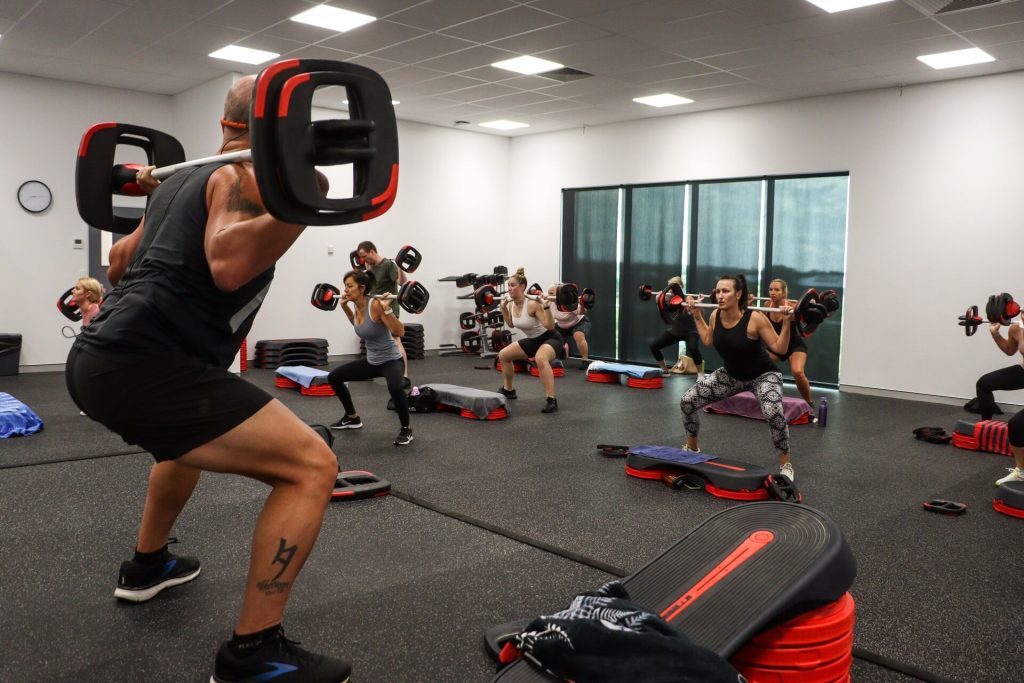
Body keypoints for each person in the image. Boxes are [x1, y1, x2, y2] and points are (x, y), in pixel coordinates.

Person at [65, 76, 352, 683]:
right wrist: (305, 197)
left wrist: (159, 201)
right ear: (263, 128)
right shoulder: (235, 176)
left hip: (99, 358)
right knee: (311, 466)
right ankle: (255, 652)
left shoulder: (181, 182)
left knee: (185, 444)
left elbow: (117, 265)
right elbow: (227, 265)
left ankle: (148, 567)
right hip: (144, 364)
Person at [679, 274, 797, 480]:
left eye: (726, 291)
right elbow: (707, 340)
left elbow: (780, 348)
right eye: (718, 291)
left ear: (738, 294)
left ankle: (786, 464)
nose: (720, 295)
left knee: (772, 411)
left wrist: (787, 323)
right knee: (688, 401)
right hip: (732, 375)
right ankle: (692, 449)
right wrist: (697, 315)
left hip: (763, 375)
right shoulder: (715, 314)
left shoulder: (755, 318)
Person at [326, 269, 412, 446]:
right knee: (334, 377)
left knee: (395, 387)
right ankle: (352, 417)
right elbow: (358, 326)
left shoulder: (375, 305)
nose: (346, 290)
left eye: (349, 286)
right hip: (372, 361)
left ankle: (406, 429)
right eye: (345, 286)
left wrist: (387, 309)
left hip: (390, 360)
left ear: (362, 288)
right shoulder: (357, 305)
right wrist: (344, 307)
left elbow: (400, 331)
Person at [497, 268, 563, 413]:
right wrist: (503, 308)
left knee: (540, 358)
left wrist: (546, 306)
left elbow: (550, 326)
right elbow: (510, 324)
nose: (509, 288)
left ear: (522, 287)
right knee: (503, 355)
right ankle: (509, 390)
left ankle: (551, 400)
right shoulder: (510, 303)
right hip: (533, 340)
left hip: (551, 338)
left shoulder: (532, 303)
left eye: (513, 285)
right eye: (508, 285)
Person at [356, 240, 410, 389]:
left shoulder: (388, 265)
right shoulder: (369, 267)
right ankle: (371, 371)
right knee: (371, 338)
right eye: (362, 258)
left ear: (372, 251)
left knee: (396, 340)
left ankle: (404, 376)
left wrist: (400, 267)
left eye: (365, 256)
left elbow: (402, 282)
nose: (364, 260)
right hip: (373, 309)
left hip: (388, 308)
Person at [980, 318, 1024, 485]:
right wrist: (995, 333)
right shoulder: (1015, 329)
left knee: (1018, 424)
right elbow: (1009, 350)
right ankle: (986, 429)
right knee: (984, 383)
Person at [765, 279, 813, 407]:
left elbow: (810, 316)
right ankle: (755, 398)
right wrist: (748, 302)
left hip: (794, 345)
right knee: (755, 366)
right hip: (776, 345)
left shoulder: (792, 306)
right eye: (771, 289)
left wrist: (811, 304)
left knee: (798, 372)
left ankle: (809, 403)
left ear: (784, 292)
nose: (772, 292)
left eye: (776, 290)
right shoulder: (766, 305)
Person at [649, 276, 702, 376]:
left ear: (680, 287)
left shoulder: (687, 298)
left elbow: (693, 310)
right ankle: (665, 370)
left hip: (691, 332)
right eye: (670, 286)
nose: (671, 288)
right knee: (654, 346)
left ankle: (701, 374)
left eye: (674, 285)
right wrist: (658, 302)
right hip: (676, 331)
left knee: (693, 348)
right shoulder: (669, 300)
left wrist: (693, 305)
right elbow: (664, 314)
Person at [548, 282, 591, 370]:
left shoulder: (570, 301)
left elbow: (582, 312)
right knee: (549, 336)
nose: (549, 295)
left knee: (578, 335)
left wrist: (582, 304)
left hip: (578, 322)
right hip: (561, 325)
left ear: (560, 294)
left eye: (552, 293)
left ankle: (585, 361)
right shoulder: (548, 302)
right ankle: (562, 350)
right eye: (549, 293)